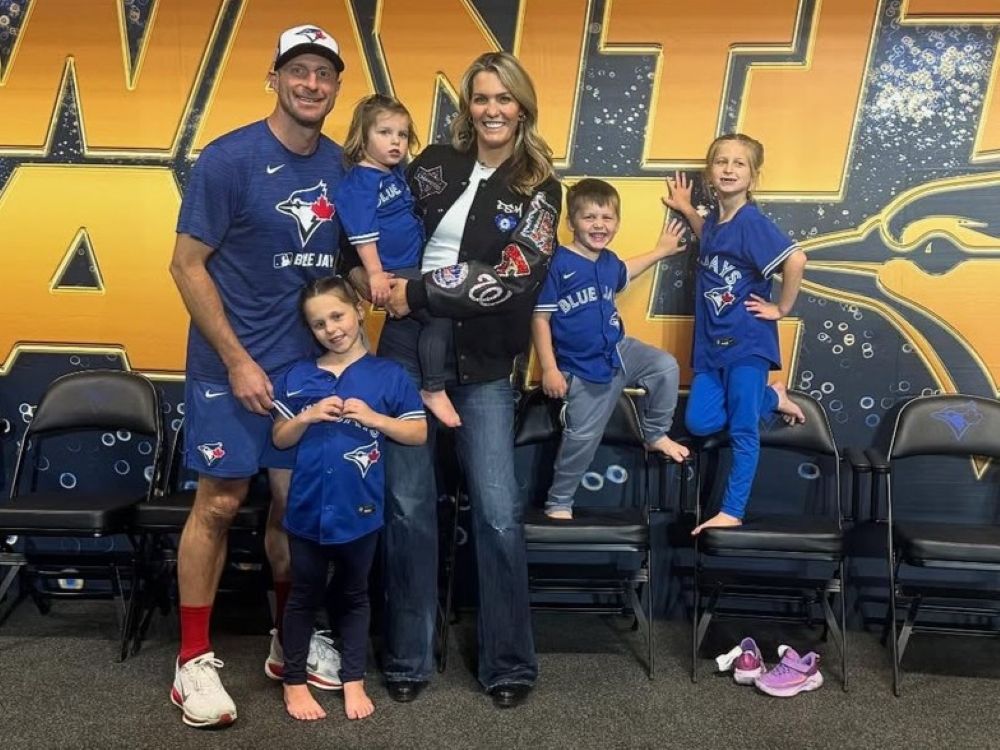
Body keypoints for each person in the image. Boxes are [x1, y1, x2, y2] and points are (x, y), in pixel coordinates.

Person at [353, 51, 562, 710]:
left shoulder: (540, 186)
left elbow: (516, 272)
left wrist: (417, 291)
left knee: (499, 517)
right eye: (480, 98)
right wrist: (370, 284)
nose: (492, 110)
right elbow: (364, 230)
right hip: (406, 352)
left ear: (522, 106)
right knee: (410, 511)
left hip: (484, 365)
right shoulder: (433, 164)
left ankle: (507, 663)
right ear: (466, 106)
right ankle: (408, 653)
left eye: (504, 98)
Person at [167, 24, 347, 728]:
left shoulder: (339, 165)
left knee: (293, 511)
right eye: (298, 71)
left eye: (323, 75)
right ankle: (191, 663)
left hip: (303, 372)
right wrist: (239, 358)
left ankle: (288, 642)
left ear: (335, 88)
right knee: (217, 504)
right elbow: (186, 265)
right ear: (275, 76)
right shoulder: (229, 158)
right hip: (227, 369)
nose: (311, 84)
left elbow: (344, 264)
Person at [271, 276, 427, 722]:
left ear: (359, 311)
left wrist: (377, 418)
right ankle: (295, 682)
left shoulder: (388, 374)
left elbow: (417, 432)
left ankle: (352, 679)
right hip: (306, 511)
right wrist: (306, 416)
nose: (331, 329)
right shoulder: (298, 376)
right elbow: (280, 439)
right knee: (303, 595)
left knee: (355, 596)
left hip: (361, 512)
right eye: (319, 324)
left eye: (337, 316)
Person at [662, 133, 807, 536]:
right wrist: (688, 210)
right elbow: (708, 234)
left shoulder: (752, 223)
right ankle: (771, 396)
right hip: (711, 345)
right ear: (710, 171)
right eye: (721, 162)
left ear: (753, 175)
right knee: (702, 421)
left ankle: (732, 509)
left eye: (738, 163)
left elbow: (796, 259)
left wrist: (781, 308)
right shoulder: (716, 222)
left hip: (747, 344)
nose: (728, 169)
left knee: (743, 429)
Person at [531, 178, 690, 520]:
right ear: (571, 222)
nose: (599, 225)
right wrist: (550, 368)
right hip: (582, 367)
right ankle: (559, 502)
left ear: (617, 223)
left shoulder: (608, 261)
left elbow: (625, 271)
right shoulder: (557, 263)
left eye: (607, 218)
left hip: (619, 350)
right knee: (582, 439)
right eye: (589, 218)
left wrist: (661, 251)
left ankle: (655, 434)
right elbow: (540, 319)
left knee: (664, 366)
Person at [335, 95, 461, 428]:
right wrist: (375, 274)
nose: (396, 142)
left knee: (434, 315)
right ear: (363, 137)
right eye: (385, 133)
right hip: (394, 270)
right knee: (440, 313)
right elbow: (362, 233)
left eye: (402, 135)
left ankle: (429, 385)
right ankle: (433, 389)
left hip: (414, 265)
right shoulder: (359, 183)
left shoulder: (393, 173)